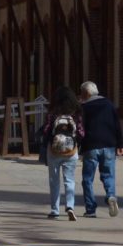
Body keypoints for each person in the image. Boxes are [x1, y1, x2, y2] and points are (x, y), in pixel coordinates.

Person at [79, 81, 123, 218]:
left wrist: (79, 145)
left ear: (86, 93)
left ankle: (91, 209)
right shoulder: (109, 104)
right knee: (108, 175)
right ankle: (110, 196)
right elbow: (117, 126)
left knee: (88, 179)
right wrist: (120, 144)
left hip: (91, 146)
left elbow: (81, 128)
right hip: (109, 145)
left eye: (81, 93)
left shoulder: (84, 107)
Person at [41, 86, 85, 221]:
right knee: (69, 180)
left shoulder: (53, 113)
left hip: (54, 150)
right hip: (71, 151)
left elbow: (46, 131)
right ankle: (70, 206)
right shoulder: (76, 113)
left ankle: (55, 210)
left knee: (54, 181)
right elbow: (81, 132)